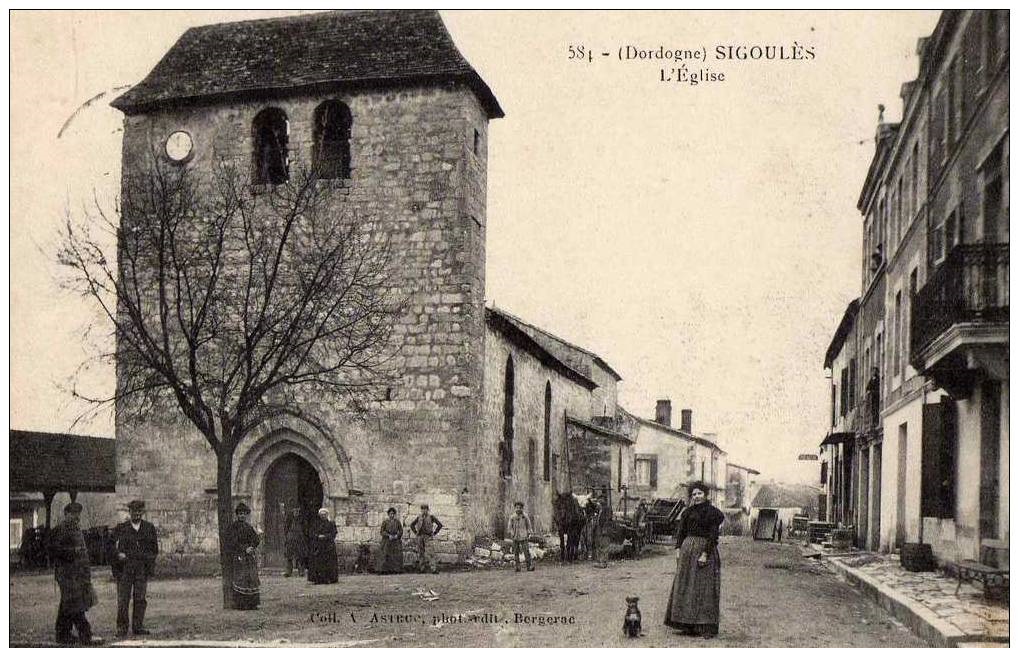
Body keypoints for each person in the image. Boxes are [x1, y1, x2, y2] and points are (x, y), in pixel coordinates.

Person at [664, 482, 725, 639]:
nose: (697, 496)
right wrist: (678, 549)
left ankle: (704, 626)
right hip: (687, 552)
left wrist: (705, 553)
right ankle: (687, 624)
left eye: (699, 493)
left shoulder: (713, 513)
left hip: (704, 550)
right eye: (694, 494)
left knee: (704, 588)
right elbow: (681, 532)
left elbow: (713, 536)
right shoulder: (687, 512)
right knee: (686, 586)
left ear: (706, 495)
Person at [48, 501, 99, 644]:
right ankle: (85, 634)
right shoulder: (61, 530)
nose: (76, 516)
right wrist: (71, 552)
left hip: (78, 574)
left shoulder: (76, 529)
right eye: (73, 514)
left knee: (68, 603)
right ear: (66, 514)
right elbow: (53, 550)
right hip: (66, 574)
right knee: (75, 603)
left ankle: (62, 634)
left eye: (78, 514)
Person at [112, 500, 159, 636]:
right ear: (130, 512)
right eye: (134, 511)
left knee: (140, 598)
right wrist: (117, 554)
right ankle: (122, 628)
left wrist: (147, 562)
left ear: (143, 512)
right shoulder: (121, 528)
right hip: (125, 569)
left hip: (141, 570)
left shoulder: (149, 528)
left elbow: (154, 549)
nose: (137, 514)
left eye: (139, 511)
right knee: (123, 599)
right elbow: (109, 545)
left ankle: (138, 626)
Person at [224, 503, 260, 610]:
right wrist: (244, 549)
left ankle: (252, 604)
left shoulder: (249, 527)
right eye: (240, 514)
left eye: (244, 514)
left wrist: (252, 547)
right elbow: (232, 542)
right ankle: (241, 604)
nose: (242, 516)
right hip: (239, 556)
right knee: (241, 578)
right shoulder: (233, 528)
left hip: (249, 557)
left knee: (251, 578)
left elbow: (256, 540)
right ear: (237, 515)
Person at [307, 507, 339, 584]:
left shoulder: (331, 523)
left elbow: (333, 533)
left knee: (329, 563)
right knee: (318, 563)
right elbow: (311, 533)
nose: (323, 516)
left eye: (324, 514)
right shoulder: (316, 524)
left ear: (327, 515)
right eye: (321, 515)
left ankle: (330, 578)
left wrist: (325, 536)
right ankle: (317, 579)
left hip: (328, 546)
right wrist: (317, 536)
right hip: (318, 546)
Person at [409, 504, 443, 574]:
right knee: (421, 553)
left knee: (430, 553)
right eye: (422, 509)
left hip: (428, 537)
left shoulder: (431, 517)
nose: (424, 511)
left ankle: (433, 569)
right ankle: (422, 568)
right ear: (421, 510)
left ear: (428, 510)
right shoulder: (419, 517)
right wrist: (416, 532)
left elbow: (439, 525)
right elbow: (412, 525)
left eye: (425, 509)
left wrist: (434, 533)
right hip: (420, 537)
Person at [508, 502, 534, 572]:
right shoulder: (512, 517)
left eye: (520, 508)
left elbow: (529, 526)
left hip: (523, 536)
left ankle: (529, 566)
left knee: (526, 551)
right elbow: (510, 527)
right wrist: (512, 533)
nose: (518, 509)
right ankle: (517, 566)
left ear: (522, 508)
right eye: (517, 508)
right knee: (516, 552)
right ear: (515, 508)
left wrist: (529, 533)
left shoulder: (525, 516)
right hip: (515, 536)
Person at [378, 507, 404, 574]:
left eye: (393, 514)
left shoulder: (397, 522)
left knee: (395, 555)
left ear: (394, 515)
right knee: (385, 554)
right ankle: (385, 570)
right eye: (390, 514)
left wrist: (397, 536)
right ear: (388, 514)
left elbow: (401, 531)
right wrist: (388, 535)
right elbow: (382, 531)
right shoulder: (385, 522)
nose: (392, 515)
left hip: (395, 540)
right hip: (387, 540)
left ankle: (395, 570)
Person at [283, 507, 307, 578]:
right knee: (289, 556)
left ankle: (301, 571)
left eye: (297, 511)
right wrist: (287, 536)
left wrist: (303, 536)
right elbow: (286, 528)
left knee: (300, 556)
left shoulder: (302, 519)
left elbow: (305, 528)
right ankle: (288, 571)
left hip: (299, 539)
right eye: (294, 511)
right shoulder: (289, 519)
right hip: (291, 539)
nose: (296, 512)